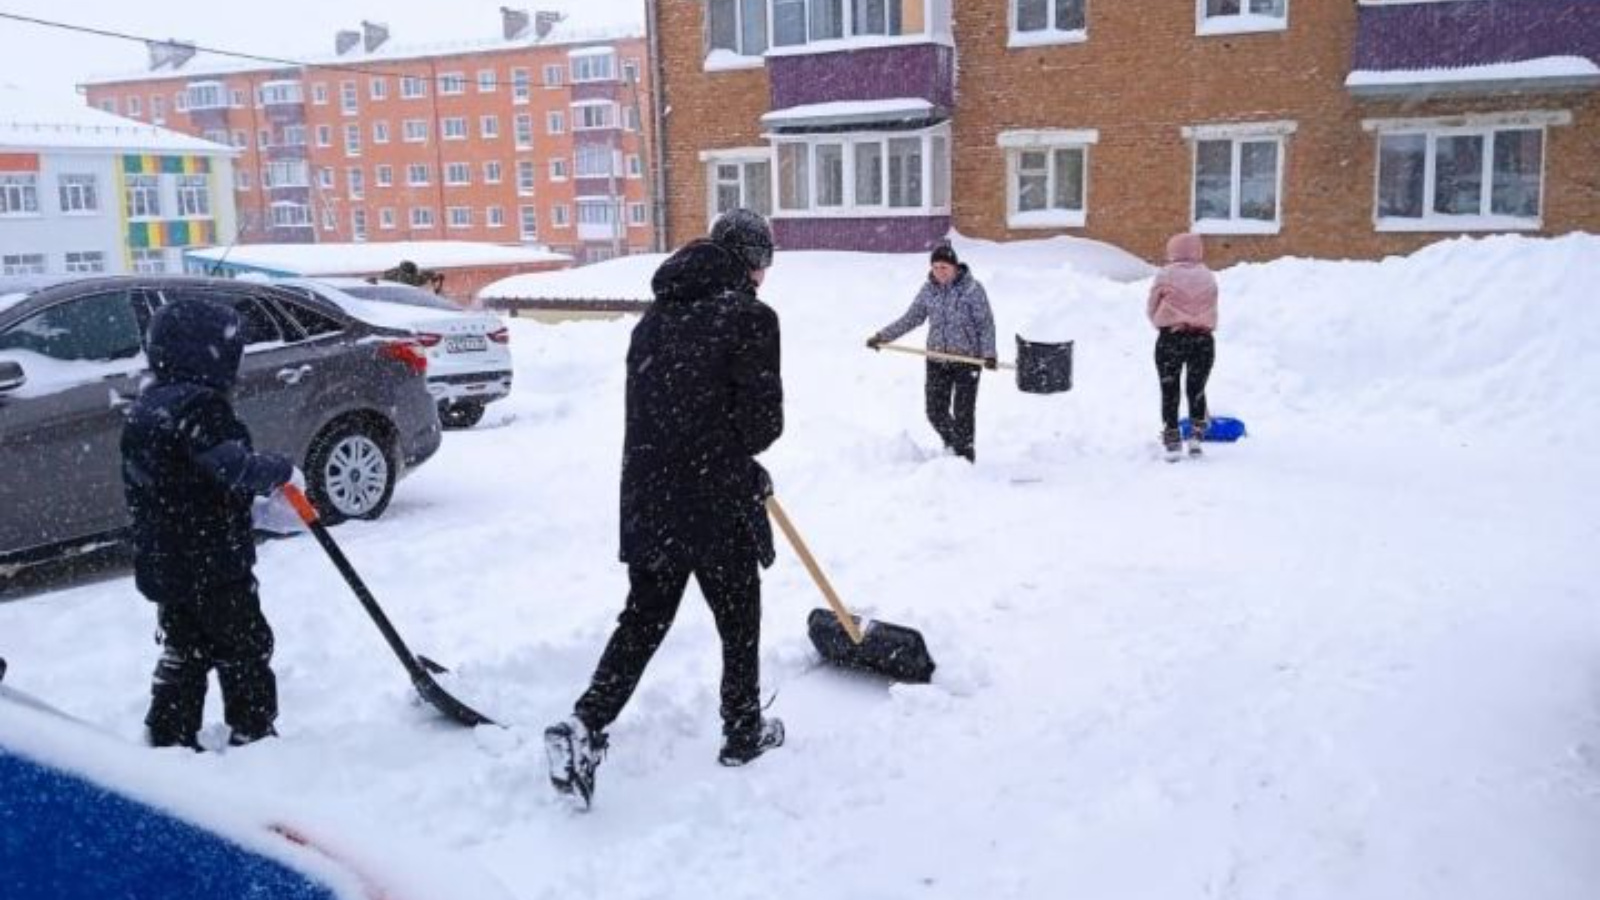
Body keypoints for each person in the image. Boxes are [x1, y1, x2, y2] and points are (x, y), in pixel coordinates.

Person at [544, 208, 785, 808]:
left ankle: (586, 724)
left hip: (651, 497)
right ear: (752, 263)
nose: (764, 279)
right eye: (765, 266)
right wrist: (742, 460)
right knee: (738, 619)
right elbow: (761, 425)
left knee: (644, 619)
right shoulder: (751, 319)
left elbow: (666, 415)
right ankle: (742, 731)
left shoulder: (652, 322)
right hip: (714, 497)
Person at [121, 299, 297, 750]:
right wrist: (278, 470)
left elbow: (178, 483)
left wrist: (242, 508)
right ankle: (253, 732)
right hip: (212, 562)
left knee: (187, 648)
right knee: (245, 647)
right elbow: (231, 467)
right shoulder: (200, 408)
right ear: (207, 353)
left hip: (165, 561)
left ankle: (170, 735)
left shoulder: (147, 408)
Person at [866, 244, 997, 462]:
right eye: (935, 267)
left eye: (944, 267)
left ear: (955, 267)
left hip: (967, 361)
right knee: (935, 412)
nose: (939, 271)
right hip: (937, 360)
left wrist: (989, 354)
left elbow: (985, 324)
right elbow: (911, 318)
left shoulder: (972, 290)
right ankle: (954, 444)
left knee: (963, 413)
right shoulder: (929, 290)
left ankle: (964, 456)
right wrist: (883, 336)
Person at [1146, 232, 1219, 459]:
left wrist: (1163, 321)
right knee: (1196, 388)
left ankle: (1172, 438)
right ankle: (1196, 437)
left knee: (1170, 389)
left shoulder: (1165, 275)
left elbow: (1151, 305)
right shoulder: (1208, 276)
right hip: (1203, 339)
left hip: (1172, 338)